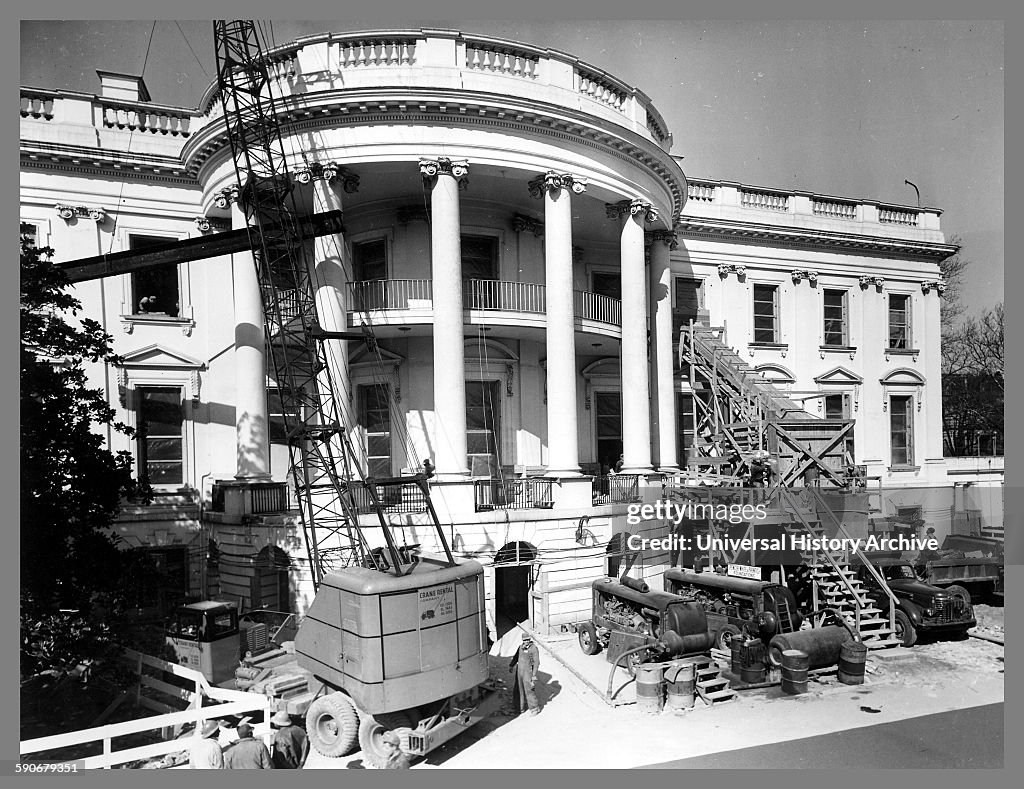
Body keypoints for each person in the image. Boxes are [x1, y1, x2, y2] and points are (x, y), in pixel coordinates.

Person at [508, 633, 541, 716]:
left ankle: (534, 708)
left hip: (528, 673)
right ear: (522, 640)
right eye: (524, 640)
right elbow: (516, 657)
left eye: (527, 640)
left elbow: (536, 663)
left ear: (530, 640)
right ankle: (519, 708)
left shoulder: (533, 649)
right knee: (518, 690)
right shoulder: (520, 648)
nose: (526, 642)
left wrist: (533, 675)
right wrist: (511, 665)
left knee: (529, 690)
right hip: (519, 673)